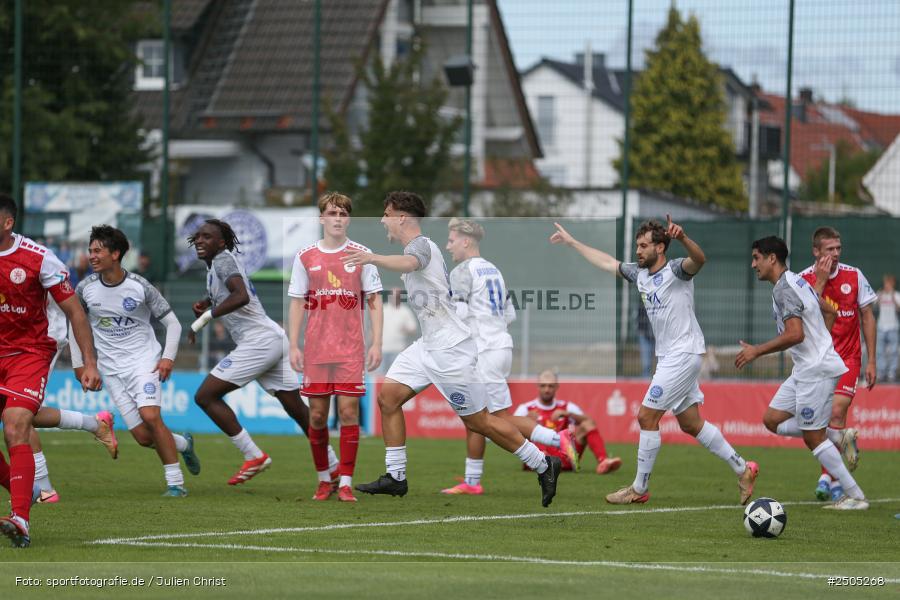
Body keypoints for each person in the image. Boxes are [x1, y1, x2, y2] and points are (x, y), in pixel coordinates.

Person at [343, 191, 562, 507]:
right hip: (428, 346)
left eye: (386, 213)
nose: (382, 220)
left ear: (402, 217)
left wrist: (372, 257)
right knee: (387, 397)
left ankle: (544, 463)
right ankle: (396, 476)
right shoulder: (418, 247)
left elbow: (410, 261)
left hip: (450, 350)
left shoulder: (421, 246)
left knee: (480, 422)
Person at [550, 217, 757, 505]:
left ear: (660, 247)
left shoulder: (677, 271)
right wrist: (573, 243)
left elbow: (700, 259)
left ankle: (639, 488)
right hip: (671, 357)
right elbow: (608, 262)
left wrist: (683, 237)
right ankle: (743, 469)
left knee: (647, 417)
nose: (638, 251)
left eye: (644, 245)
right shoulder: (640, 274)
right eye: (637, 245)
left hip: (684, 354)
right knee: (691, 423)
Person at [187, 219, 336, 485]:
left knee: (205, 396)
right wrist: (207, 301)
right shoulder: (217, 266)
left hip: (259, 342)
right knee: (298, 410)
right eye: (197, 236)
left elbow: (241, 295)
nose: (199, 240)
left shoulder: (222, 260)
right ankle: (333, 466)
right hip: (271, 338)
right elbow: (230, 292)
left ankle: (252, 454)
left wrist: (205, 317)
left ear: (221, 242)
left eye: (207, 237)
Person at [439, 218, 578, 496]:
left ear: (466, 241)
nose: (448, 245)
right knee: (475, 415)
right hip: (500, 346)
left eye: (452, 240)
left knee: (495, 417)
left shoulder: (462, 271)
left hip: (484, 351)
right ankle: (472, 481)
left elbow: (461, 315)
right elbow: (510, 315)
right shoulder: (495, 270)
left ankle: (557, 438)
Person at [736, 236, 868, 510]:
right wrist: (820, 342)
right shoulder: (798, 281)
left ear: (772, 258)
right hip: (807, 367)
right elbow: (829, 311)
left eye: (756, 258)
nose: (753, 265)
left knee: (812, 437)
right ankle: (839, 437)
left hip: (815, 369)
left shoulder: (785, 289)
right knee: (771, 419)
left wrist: (757, 351)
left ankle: (855, 496)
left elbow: (795, 334)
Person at [0, 193, 102, 547]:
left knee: (15, 424)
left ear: (7, 223)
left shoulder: (39, 260)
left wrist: (89, 362)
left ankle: (20, 519)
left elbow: (75, 312)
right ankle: (22, 486)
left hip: (30, 351)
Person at [68, 226, 200, 497]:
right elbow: (75, 325)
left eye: (97, 250)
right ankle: (184, 446)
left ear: (115, 254)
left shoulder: (140, 286)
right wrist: (79, 364)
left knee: (151, 416)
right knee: (142, 437)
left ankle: (175, 483)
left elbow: (173, 324)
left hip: (144, 362)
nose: (91, 256)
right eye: (90, 251)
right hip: (111, 370)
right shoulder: (85, 288)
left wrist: (167, 358)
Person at [288, 192, 384, 503]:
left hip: (350, 350)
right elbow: (297, 303)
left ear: (349, 219)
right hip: (315, 351)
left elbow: (374, 300)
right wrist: (293, 345)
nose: (338, 218)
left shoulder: (361, 254)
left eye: (343, 214)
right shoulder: (305, 256)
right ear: (322, 218)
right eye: (332, 213)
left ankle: (345, 481)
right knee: (316, 417)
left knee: (347, 413)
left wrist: (376, 343)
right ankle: (323, 479)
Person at [799, 226, 876, 501]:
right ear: (816, 251)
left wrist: (871, 361)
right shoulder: (803, 280)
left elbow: (867, 315)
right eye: (829, 249)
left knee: (834, 414)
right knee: (819, 420)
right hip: (816, 362)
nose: (835, 254)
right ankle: (833, 474)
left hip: (848, 359)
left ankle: (826, 477)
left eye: (838, 248)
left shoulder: (854, 275)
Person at [28, 298, 118, 504]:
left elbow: (74, 310)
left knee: (20, 411)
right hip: (14, 340)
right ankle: (95, 425)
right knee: (18, 412)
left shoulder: (45, 266)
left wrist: (86, 363)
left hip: (41, 338)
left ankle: (43, 488)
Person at [513, 370, 622, 475]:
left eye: (550, 386)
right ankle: (543, 461)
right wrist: (525, 422)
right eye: (543, 385)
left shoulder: (566, 407)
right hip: (537, 456)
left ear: (557, 387)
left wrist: (569, 414)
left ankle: (603, 461)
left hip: (565, 456)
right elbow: (509, 430)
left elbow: (590, 423)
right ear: (537, 386)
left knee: (586, 425)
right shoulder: (526, 409)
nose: (547, 389)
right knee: (522, 430)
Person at [381, 288, 417, 373]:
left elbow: (413, 329)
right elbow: (374, 328)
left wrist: (406, 330)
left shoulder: (405, 311)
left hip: (398, 350)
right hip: (382, 349)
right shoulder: (383, 309)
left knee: (395, 375)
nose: (394, 298)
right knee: (380, 377)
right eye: (392, 296)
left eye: (396, 296)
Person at [875, 274, 900, 383]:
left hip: (893, 326)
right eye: (886, 283)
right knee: (880, 351)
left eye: (889, 283)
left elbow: (899, 308)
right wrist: (881, 295)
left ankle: (891, 372)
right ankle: (881, 372)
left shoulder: (896, 295)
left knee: (894, 351)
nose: (887, 285)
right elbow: (875, 305)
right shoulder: (880, 294)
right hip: (881, 326)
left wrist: (892, 296)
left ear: (892, 284)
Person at [636, 302, 654, 378]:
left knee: (664, 363)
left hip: (659, 337)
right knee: (646, 364)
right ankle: (645, 382)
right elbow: (638, 319)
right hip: (645, 336)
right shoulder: (643, 304)